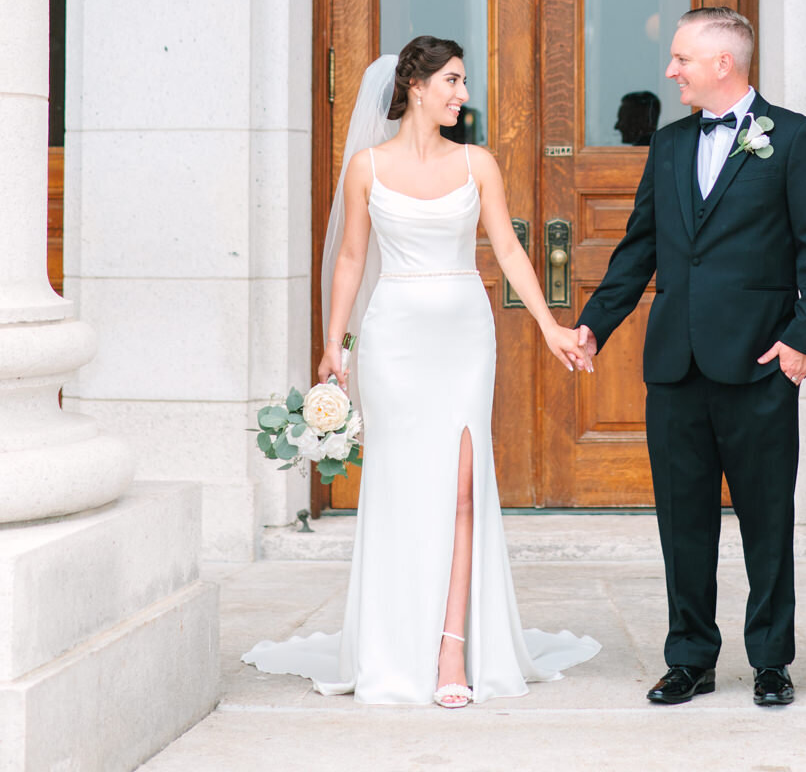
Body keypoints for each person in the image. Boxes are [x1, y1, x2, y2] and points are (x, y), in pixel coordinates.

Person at [243, 37, 599, 706]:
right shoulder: (367, 169)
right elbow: (351, 260)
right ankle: (393, 642)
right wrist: (334, 344)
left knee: (465, 490)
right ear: (415, 85)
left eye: (463, 83)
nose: (463, 94)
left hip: (465, 336)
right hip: (394, 340)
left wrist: (551, 326)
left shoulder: (478, 164)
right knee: (400, 489)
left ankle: (451, 652)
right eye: (453, 81)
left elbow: (511, 252)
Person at [577, 7, 806, 709]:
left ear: (723, 63)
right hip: (674, 367)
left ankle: (771, 661)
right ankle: (689, 657)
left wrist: (801, 343)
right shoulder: (666, 146)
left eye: (682, 60)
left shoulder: (794, 139)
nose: (672, 71)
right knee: (682, 522)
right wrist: (594, 326)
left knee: (766, 521)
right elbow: (640, 247)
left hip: (759, 363)